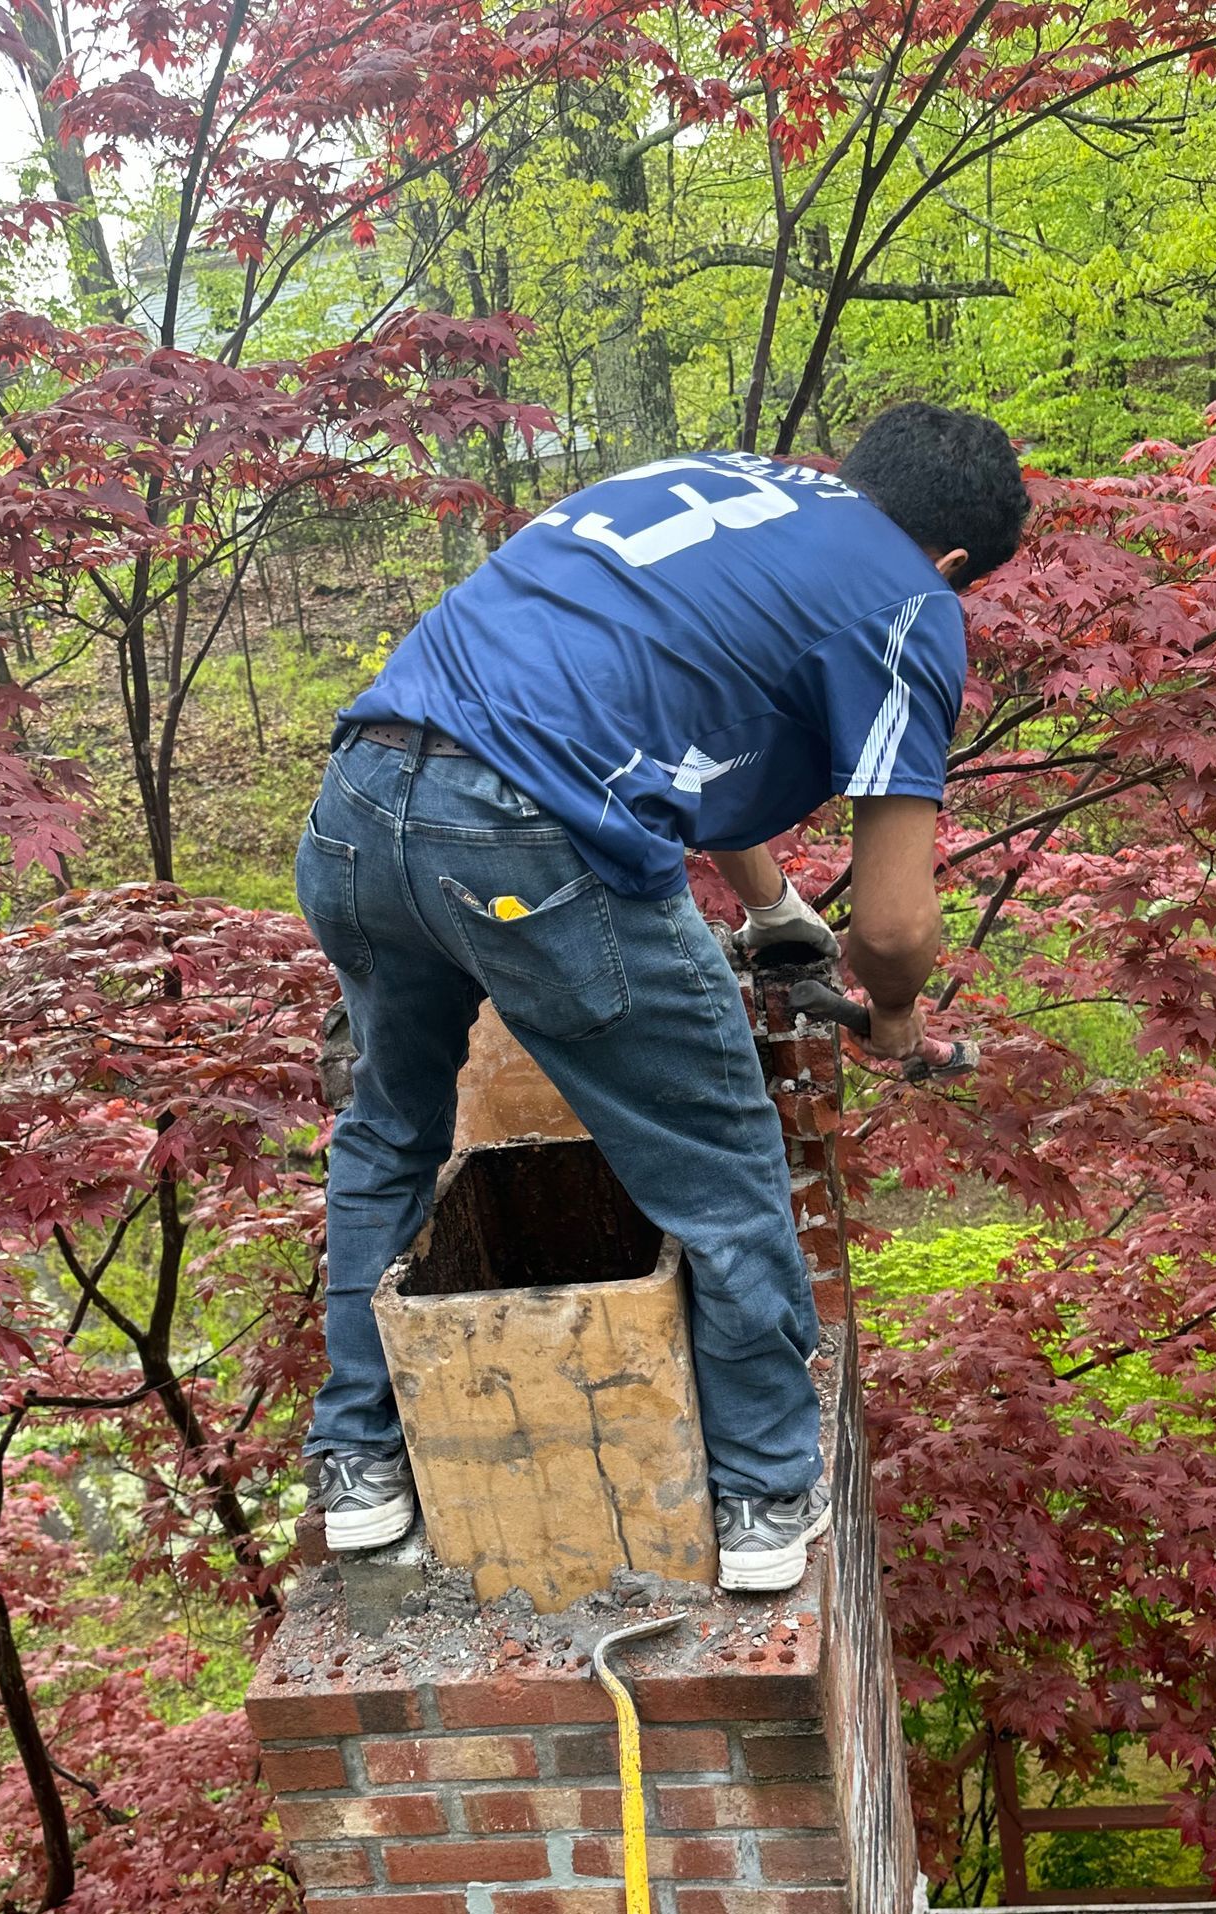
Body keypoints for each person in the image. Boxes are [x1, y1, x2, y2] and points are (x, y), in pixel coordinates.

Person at [297, 401, 1029, 1592]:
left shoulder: (719, 485)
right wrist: (893, 1016)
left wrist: (772, 906)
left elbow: (675, 730)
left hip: (358, 807)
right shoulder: (912, 600)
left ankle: (359, 1467)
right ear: (952, 562)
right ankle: (763, 1493)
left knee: (388, 1130)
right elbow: (895, 927)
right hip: (527, 847)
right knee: (721, 1160)